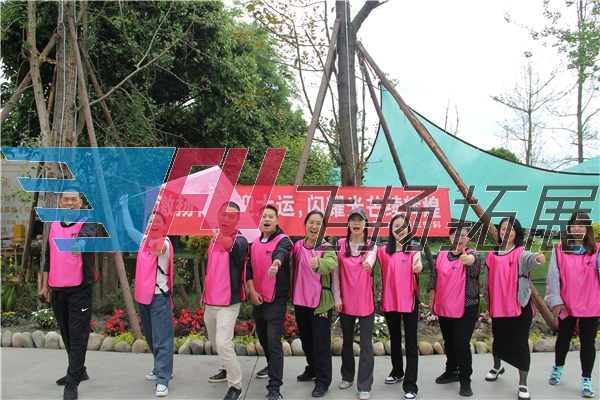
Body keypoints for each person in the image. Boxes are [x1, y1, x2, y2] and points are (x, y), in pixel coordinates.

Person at [39, 189, 96, 400]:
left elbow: (87, 237)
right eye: (66, 200)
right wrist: (44, 287)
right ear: (60, 202)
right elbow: (48, 258)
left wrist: (79, 244)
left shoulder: (87, 223)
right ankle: (79, 370)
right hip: (57, 288)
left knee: (78, 335)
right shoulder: (54, 226)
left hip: (79, 289)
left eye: (74, 199)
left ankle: (72, 382)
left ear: (80, 203)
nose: (70, 203)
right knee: (67, 333)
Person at [483, 217, 546, 400]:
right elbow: (486, 281)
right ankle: (497, 367)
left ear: (517, 232)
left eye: (511, 229)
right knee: (498, 339)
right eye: (503, 229)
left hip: (519, 307)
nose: (507, 232)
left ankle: (523, 383)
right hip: (498, 307)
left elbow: (533, 260)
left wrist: (539, 259)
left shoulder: (521, 253)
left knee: (520, 345)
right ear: (499, 232)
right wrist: (487, 300)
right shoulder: (492, 255)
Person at [121, 197, 174, 397]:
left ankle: (163, 378)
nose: (153, 224)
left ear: (164, 226)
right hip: (143, 298)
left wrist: (159, 248)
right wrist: (124, 206)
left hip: (159, 298)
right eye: (150, 221)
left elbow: (162, 250)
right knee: (151, 337)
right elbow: (128, 227)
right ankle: (161, 367)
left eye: (157, 221)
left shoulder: (165, 242)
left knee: (162, 339)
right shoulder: (144, 241)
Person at [545, 212, 600, 398]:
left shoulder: (597, 250)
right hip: (566, 305)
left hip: (591, 305)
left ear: (587, 228)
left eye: (581, 225)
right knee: (563, 338)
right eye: (573, 225)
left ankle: (586, 379)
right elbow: (553, 277)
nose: (577, 228)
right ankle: (558, 367)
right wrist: (556, 302)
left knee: (588, 342)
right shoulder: (560, 250)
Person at [201, 202, 248, 400]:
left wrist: (225, 241)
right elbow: (210, 269)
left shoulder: (241, 240)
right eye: (223, 215)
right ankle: (226, 368)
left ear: (237, 220)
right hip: (210, 301)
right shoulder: (212, 241)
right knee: (214, 342)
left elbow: (236, 248)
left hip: (228, 304)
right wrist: (204, 294)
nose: (226, 219)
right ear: (218, 216)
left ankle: (235, 385)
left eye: (231, 216)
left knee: (222, 343)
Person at [246, 205, 292, 400]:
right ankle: (270, 365)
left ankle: (274, 388)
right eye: (264, 216)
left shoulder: (283, 241)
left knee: (273, 341)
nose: (267, 219)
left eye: (271, 216)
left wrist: (276, 263)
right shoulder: (255, 243)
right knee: (264, 339)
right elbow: (249, 269)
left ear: (277, 221)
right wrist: (252, 290)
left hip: (275, 300)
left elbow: (280, 253)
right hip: (258, 299)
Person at [429, 225, 481, 397]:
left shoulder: (473, 255)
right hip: (445, 306)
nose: (458, 239)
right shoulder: (442, 255)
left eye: (463, 236)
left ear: (468, 239)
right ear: (450, 237)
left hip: (466, 307)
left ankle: (465, 380)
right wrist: (432, 300)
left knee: (461, 344)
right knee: (449, 342)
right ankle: (451, 370)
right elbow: (434, 278)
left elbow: (472, 263)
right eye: (455, 235)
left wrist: (468, 259)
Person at [291, 210, 338, 398]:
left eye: (319, 223)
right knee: (306, 340)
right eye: (311, 222)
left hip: (320, 304)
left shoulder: (327, 248)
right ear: (305, 225)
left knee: (321, 343)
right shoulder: (297, 246)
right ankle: (312, 368)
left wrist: (319, 263)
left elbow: (330, 263)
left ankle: (323, 381)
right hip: (300, 301)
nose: (315, 226)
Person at [332, 207, 377, 400]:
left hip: (365, 302)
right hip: (346, 302)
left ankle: (365, 385)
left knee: (366, 344)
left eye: (360, 220)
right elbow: (335, 274)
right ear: (348, 224)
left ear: (365, 224)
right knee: (347, 342)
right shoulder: (340, 244)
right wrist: (337, 298)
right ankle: (347, 376)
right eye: (353, 220)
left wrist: (368, 263)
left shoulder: (371, 246)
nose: (356, 223)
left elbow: (371, 259)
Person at [377, 214, 422, 400]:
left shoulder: (414, 250)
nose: (400, 229)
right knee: (394, 339)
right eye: (396, 225)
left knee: (411, 344)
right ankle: (397, 371)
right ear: (390, 229)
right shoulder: (382, 251)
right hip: (390, 301)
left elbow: (418, 264)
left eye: (403, 226)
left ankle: (410, 385)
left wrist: (418, 266)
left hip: (409, 301)